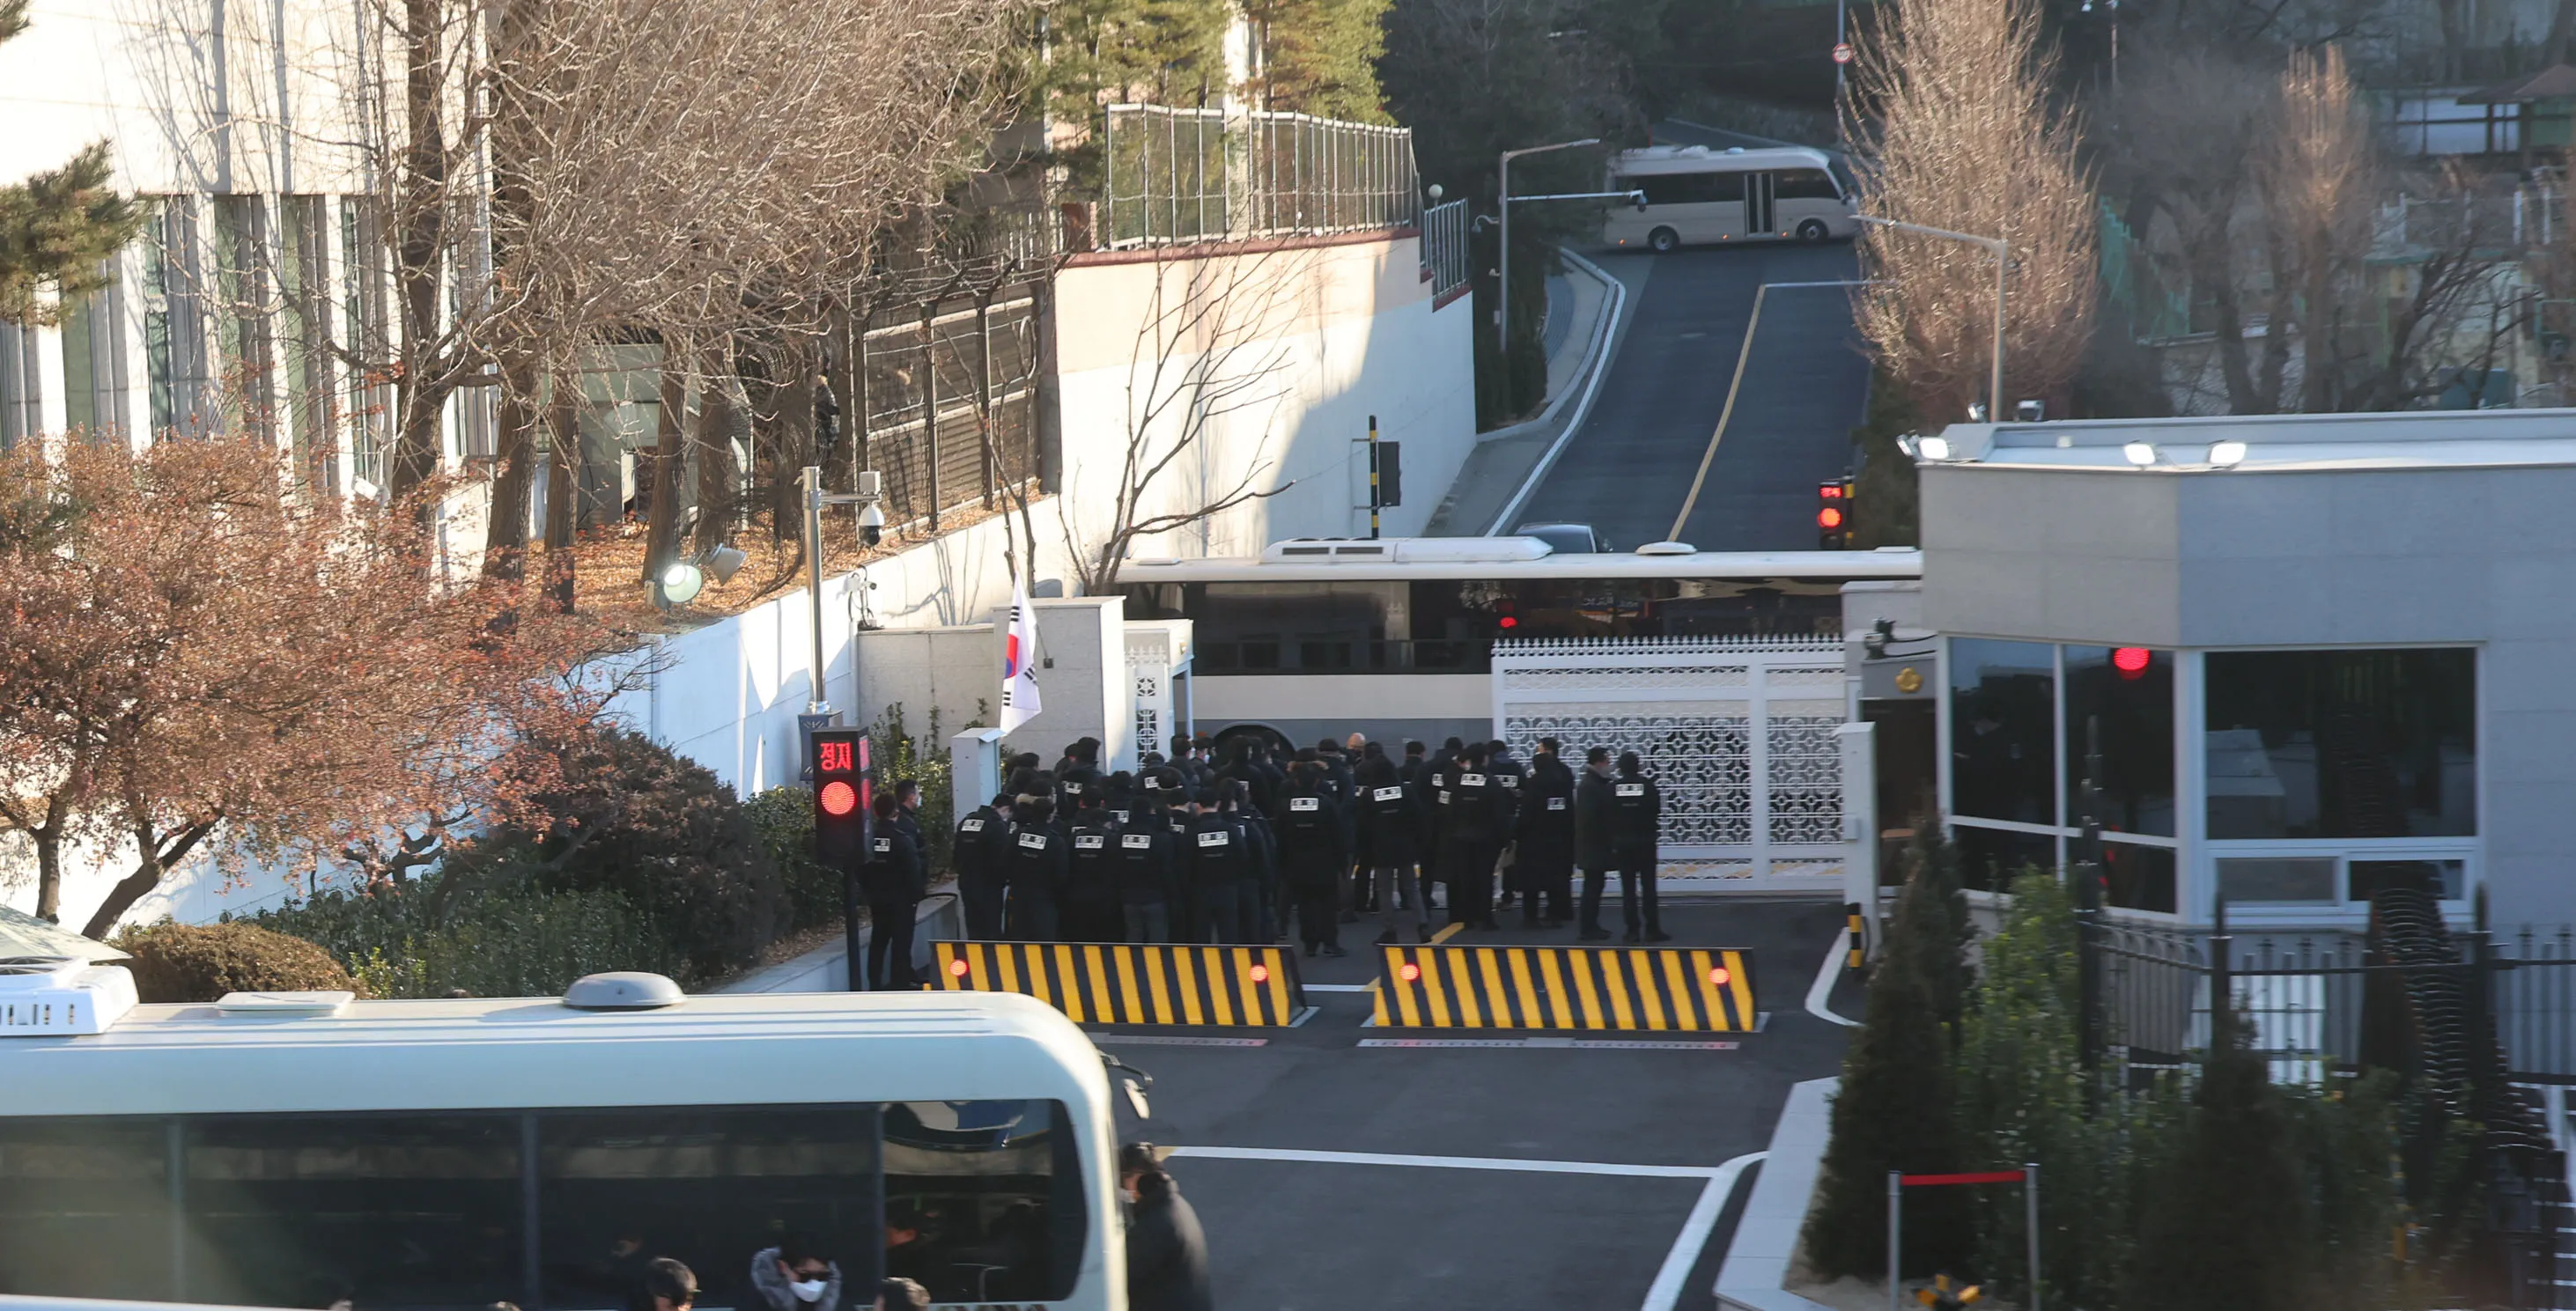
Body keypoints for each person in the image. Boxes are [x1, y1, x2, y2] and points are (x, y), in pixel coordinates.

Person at [1119, 1144, 1212, 1311]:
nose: (1123, 1187)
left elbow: (1122, 1275)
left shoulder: (1156, 1225)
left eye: (1124, 1179)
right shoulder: (1174, 1206)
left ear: (1139, 1178)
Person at [1275, 759, 1347, 956]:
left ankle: (1309, 943)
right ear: (1316, 782)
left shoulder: (1285, 806)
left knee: (1305, 906)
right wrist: (1342, 865)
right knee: (1327, 906)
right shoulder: (1326, 804)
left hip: (1295, 863)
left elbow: (1279, 838)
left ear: (1296, 782)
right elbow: (1337, 836)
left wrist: (1281, 866)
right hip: (1324, 863)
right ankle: (1330, 942)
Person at [1358, 752, 1429, 943]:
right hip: (1405, 845)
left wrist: (1364, 851)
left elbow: (1363, 826)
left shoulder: (1369, 795)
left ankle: (1390, 930)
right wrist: (1419, 842)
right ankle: (1422, 925)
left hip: (1381, 848)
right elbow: (1419, 818)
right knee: (1411, 888)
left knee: (1384, 891)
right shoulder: (1405, 791)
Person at [862, 790, 926, 987]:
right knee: (901, 944)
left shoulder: (867, 840)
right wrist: (917, 896)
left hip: (878, 900)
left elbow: (860, 869)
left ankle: (874, 984)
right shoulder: (902, 840)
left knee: (878, 943)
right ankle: (900, 984)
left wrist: (869, 892)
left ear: (875, 812)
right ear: (895, 812)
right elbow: (913, 872)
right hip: (902, 902)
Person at [1515, 737, 1577, 927]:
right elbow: (1569, 808)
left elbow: (1527, 813)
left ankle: (1530, 917)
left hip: (1534, 840)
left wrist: (1516, 832)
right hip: (1559, 837)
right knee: (1556, 879)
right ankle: (1556, 914)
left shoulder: (1534, 783)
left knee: (1531, 883)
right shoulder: (1563, 776)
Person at [1609, 750, 1669, 943]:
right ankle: (1652, 929)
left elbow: (1606, 814)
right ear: (1638, 766)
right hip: (1645, 842)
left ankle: (1632, 930)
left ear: (1620, 768)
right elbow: (1656, 811)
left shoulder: (1613, 788)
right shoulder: (1648, 786)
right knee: (1649, 887)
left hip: (1622, 843)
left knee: (1628, 889)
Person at [1115, 786, 1177, 942]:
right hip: (1155, 897)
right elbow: (1167, 870)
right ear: (1151, 812)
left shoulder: (1119, 837)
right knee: (1158, 941)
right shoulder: (1161, 838)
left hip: (1128, 897)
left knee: (1133, 939)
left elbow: (1113, 866)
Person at [1185, 789, 1247, 944]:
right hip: (1228, 888)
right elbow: (1243, 856)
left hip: (1200, 889)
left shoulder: (1192, 831)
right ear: (1218, 804)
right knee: (1229, 933)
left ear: (1197, 806)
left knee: (1201, 934)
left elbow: (1185, 862)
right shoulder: (1231, 829)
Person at [1005, 795, 1067, 939]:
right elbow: (1061, 874)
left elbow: (1006, 861)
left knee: (1018, 940)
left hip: (1018, 895)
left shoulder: (1017, 835)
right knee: (1043, 943)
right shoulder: (1056, 841)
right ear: (1050, 816)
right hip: (1044, 899)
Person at [1062, 793, 1122, 942]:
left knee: (1080, 934)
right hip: (1104, 893)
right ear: (1105, 823)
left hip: (1076, 892)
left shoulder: (1074, 838)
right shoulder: (1111, 838)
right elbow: (1115, 865)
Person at [952, 793, 1012, 939]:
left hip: (967, 883)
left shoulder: (966, 821)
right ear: (1005, 809)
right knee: (991, 930)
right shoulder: (997, 825)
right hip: (989, 887)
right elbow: (1002, 859)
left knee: (973, 927)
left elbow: (956, 853)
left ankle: (974, 960)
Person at [1574, 747, 1618, 941]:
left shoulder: (1593, 783)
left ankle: (1592, 925)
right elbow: (1592, 819)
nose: (1609, 766)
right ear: (1599, 762)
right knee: (1592, 887)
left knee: (1595, 886)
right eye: (1607, 761)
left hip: (1592, 846)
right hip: (1593, 846)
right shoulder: (1590, 786)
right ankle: (1588, 928)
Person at [743, 1236, 841, 1311]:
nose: (814, 1283)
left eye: (822, 1276)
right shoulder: (756, 1302)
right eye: (804, 1275)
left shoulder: (838, 1302)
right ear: (783, 1267)